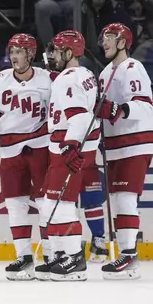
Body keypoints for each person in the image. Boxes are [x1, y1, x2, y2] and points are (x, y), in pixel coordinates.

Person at [95, 23, 153, 280]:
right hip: (117, 143)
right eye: (104, 37)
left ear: (124, 42)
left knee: (125, 195)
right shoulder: (104, 73)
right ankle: (126, 255)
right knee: (117, 198)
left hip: (137, 139)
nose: (105, 42)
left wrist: (117, 110)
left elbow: (143, 104)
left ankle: (129, 254)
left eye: (111, 37)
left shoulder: (133, 67)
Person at [0, 34, 52, 280]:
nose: (14, 56)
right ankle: (24, 257)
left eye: (19, 51)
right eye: (12, 51)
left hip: (41, 145)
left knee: (45, 202)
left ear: (31, 54)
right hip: (10, 148)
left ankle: (51, 255)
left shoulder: (48, 78)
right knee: (14, 203)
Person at [36, 30, 100, 282]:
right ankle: (64, 254)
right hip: (75, 143)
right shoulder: (83, 74)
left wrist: (71, 145)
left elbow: (80, 116)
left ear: (69, 53)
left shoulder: (68, 79)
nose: (50, 55)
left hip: (70, 145)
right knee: (54, 203)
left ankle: (74, 258)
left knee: (59, 203)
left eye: (56, 50)